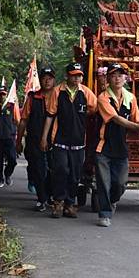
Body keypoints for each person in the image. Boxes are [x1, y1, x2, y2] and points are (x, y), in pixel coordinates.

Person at [40, 62, 97, 218]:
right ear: (67, 76)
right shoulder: (57, 91)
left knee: (74, 174)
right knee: (61, 170)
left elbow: (94, 109)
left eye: (79, 75)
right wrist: (44, 138)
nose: (76, 78)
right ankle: (58, 202)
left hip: (79, 142)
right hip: (59, 140)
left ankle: (69, 204)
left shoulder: (86, 93)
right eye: (73, 75)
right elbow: (50, 116)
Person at [95, 63, 139, 227]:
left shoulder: (130, 98)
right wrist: (135, 126)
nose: (117, 78)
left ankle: (112, 201)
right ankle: (104, 213)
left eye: (120, 75)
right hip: (103, 147)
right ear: (108, 78)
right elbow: (116, 119)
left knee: (120, 183)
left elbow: (137, 116)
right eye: (113, 75)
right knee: (103, 183)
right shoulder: (103, 97)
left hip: (121, 147)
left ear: (126, 78)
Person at [16, 67, 56, 212]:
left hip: (55, 140)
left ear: (54, 80)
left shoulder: (58, 96)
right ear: (40, 79)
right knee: (38, 169)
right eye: (44, 78)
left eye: (50, 78)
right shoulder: (33, 98)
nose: (47, 81)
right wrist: (18, 140)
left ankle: (51, 196)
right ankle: (42, 198)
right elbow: (23, 120)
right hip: (34, 139)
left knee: (54, 169)